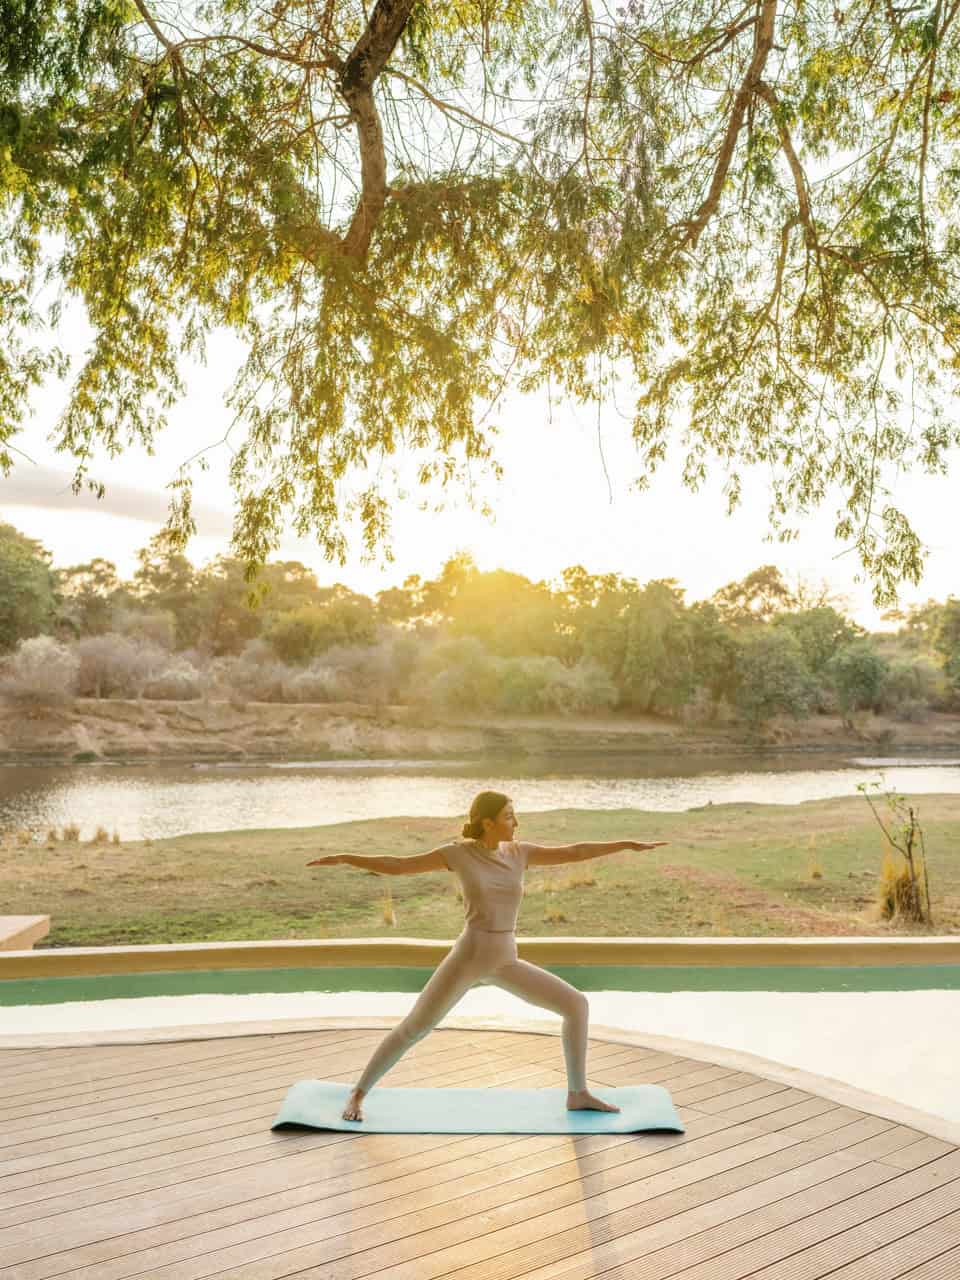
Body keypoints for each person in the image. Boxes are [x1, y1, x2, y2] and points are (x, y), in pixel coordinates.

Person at [306, 789, 669, 1123]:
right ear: (487, 821)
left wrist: (625, 844)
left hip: (505, 960)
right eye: (510, 816)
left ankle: (578, 1092)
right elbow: (399, 865)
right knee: (415, 1028)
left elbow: (575, 851)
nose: (516, 822)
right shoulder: (457, 854)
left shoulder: (520, 853)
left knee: (576, 1005)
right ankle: (357, 1093)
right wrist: (345, 858)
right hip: (468, 956)